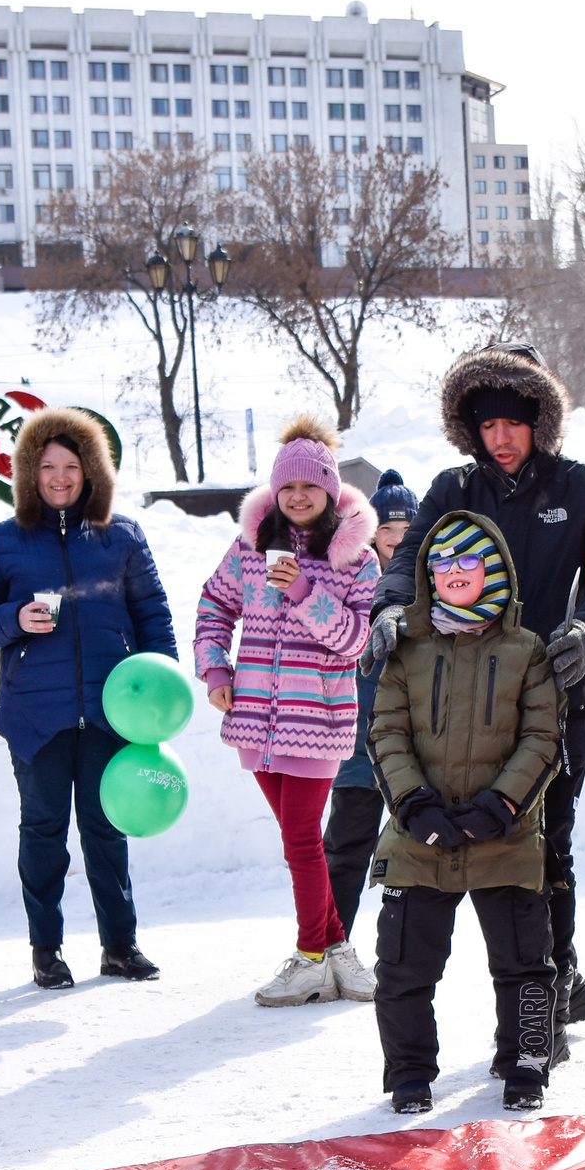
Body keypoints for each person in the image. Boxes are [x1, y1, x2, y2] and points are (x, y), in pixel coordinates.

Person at [370, 347, 585, 1029]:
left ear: (542, 420)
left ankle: (555, 986)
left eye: (516, 422)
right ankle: (538, 987)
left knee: (549, 848)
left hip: (556, 694)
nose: (503, 438)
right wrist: (390, 609)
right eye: (489, 425)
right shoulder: (453, 490)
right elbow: (407, 562)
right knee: (482, 860)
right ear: (470, 428)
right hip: (463, 706)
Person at [0, 410, 177, 990]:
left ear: (92, 473)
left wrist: (163, 695)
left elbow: (153, 618)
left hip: (114, 712)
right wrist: (14, 618)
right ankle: (47, 950)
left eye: (72, 466)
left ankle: (119, 945)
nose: (60, 477)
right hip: (36, 715)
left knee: (107, 829)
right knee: (43, 831)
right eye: (48, 466)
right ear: (29, 472)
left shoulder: (123, 536)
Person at [368, 511, 564, 1113]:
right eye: (443, 563)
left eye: (468, 561)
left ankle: (525, 1063)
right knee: (403, 968)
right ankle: (408, 1075)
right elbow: (386, 732)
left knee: (526, 965)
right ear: (429, 574)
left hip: (502, 836)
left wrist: (499, 805)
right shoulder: (407, 650)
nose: (456, 572)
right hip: (419, 836)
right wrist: (414, 804)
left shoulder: (525, 650)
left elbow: (542, 738)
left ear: (494, 569)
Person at [194, 416, 379, 1006]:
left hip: (318, 721)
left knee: (301, 838)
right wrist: (216, 668)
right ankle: (338, 950)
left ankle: (309, 956)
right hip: (256, 719)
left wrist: (303, 590)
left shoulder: (357, 559)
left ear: (329, 489)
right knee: (298, 838)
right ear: (275, 491)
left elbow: (354, 640)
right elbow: (212, 606)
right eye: (288, 487)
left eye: (310, 486)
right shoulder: (249, 549)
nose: (298, 497)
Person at [324, 472, 418, 952]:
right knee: (344, 847)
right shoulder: (349, 578)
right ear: (370, 532)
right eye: (387, 530)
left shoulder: (434, 581)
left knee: (414, 853)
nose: (396, 540)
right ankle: (328, 945)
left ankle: (401, 953)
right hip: (358, 738)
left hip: (415, 745)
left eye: (406, 531)